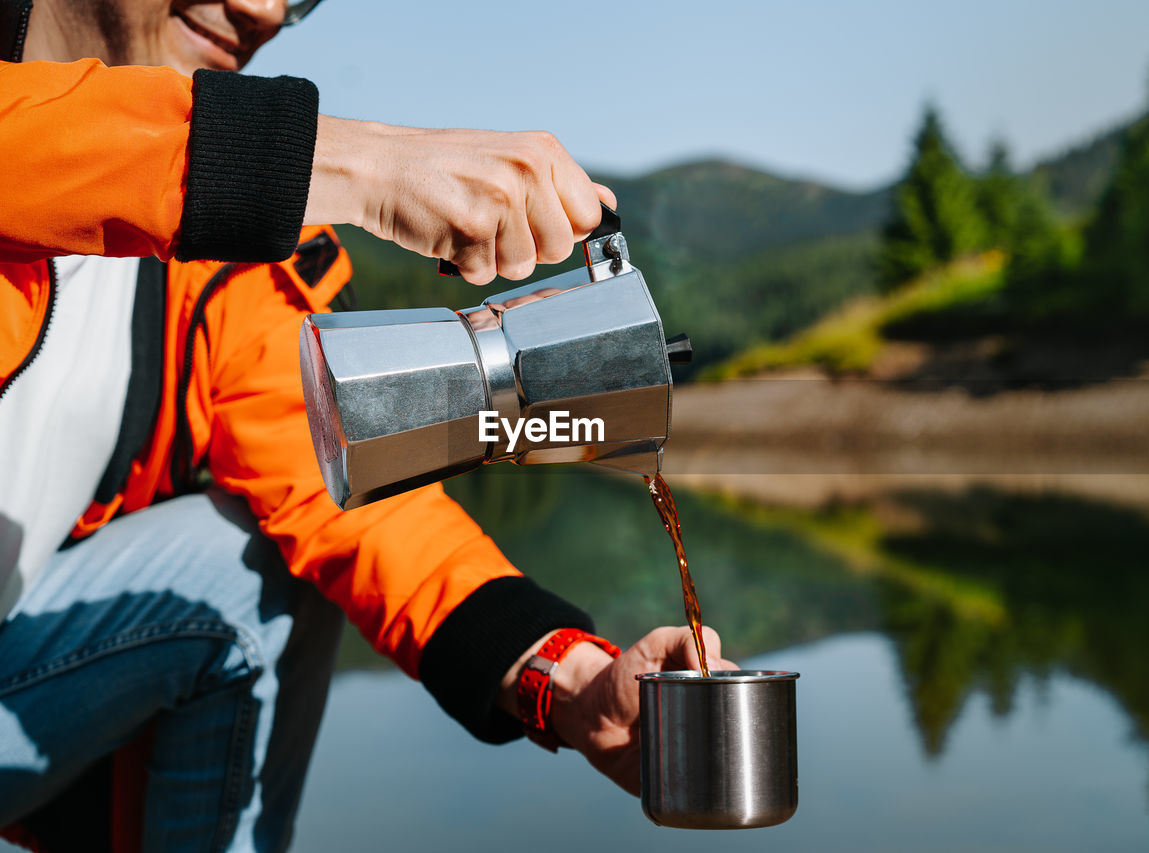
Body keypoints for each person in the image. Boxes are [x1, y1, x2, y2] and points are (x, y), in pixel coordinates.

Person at [0, 0, 731, 850]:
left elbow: (330, 484)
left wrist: (565, 677)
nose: (264, 8)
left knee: (249, 560)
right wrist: (347, 162)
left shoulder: (211, 261)